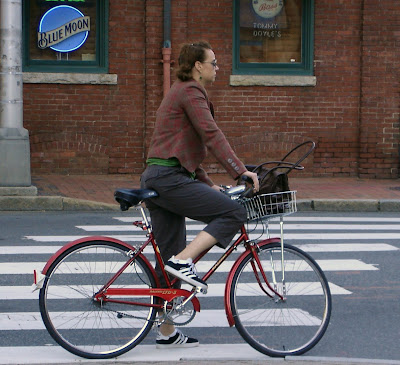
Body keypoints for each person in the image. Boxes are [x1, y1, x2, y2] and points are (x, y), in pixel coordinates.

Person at [141, 41, 259, 348]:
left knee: (167, 258)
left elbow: (183, 149)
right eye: (214, 63)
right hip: (169, 179)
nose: (217, 68)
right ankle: (184, 262)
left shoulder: (179, 92)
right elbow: (211, 133)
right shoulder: (191, 91)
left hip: (162, 176)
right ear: (198, 66)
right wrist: (239, 170)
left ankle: (166, 332)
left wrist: (206, 184)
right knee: (233, 212)